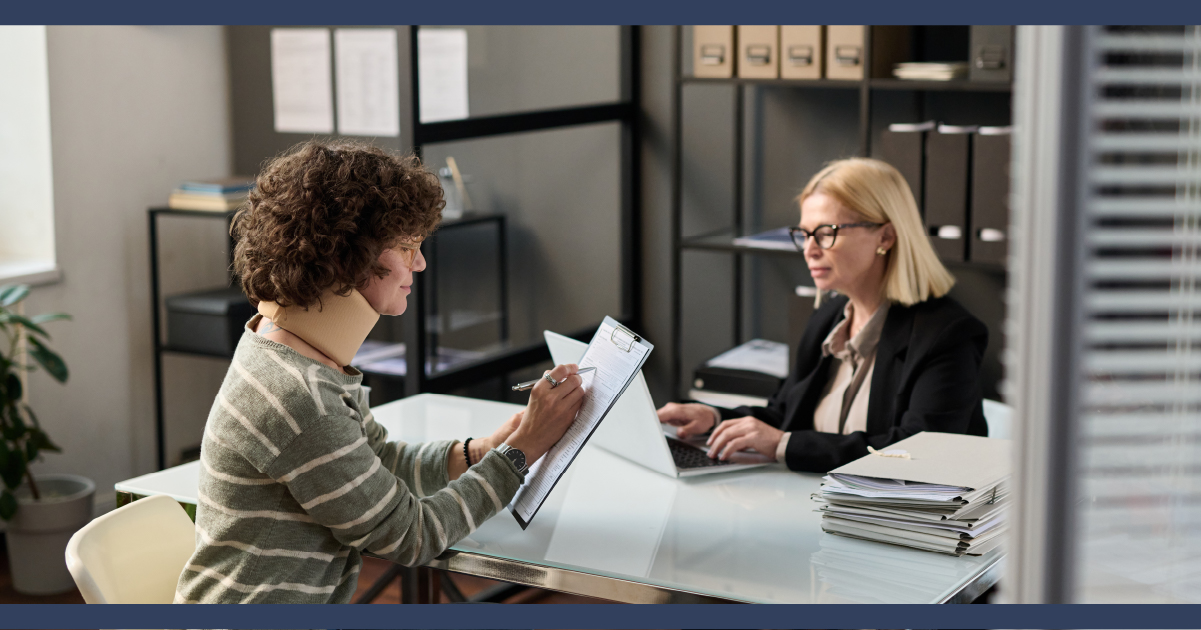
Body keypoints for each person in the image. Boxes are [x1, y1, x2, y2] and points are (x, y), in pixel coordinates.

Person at [175, 141, 584, 603]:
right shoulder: (299, 397)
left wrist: (485, 450)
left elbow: (380, 464)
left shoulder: (290, 353)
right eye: (407, 248)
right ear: (344, 257)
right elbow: (410, 535)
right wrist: (522, 453)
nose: (421, 263)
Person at [659, 158, 988, 473]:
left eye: (826, 233)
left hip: (900, 525)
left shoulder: (947, 336)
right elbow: (785, 415)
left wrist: (785, 445)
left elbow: (917, 453)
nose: (809, 249)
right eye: (804, 234)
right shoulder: (829, 318)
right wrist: (713, 418)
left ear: (885, 237)